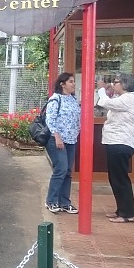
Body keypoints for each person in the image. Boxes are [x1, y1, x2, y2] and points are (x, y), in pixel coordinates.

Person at [97, 73, 134, 223]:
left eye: (116, 82)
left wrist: (101, 89)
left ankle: (127, 213)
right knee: (116, 178)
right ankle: (121, 209)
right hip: (116, 142)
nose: (114, 84)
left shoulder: (129, 98)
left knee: (120, 179)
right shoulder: (123, 98)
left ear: (125, 85)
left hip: (120, 143)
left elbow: (104, 102)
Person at [44, 72, 81, 214]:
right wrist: (57, 137)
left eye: (73, 81)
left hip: (71, 140)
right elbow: (50, 119)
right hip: (57, 140)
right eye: (70, 81)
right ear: (62, 84)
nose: (73, 84)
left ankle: (64, 202)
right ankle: (51, 201)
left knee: (67, 172)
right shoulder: (55, 99)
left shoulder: (72, 99)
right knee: (61, 169)